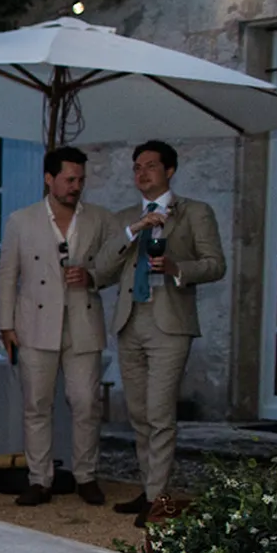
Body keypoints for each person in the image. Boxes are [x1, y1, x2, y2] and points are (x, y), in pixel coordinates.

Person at [93, 140, 227, 525]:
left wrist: (175, 267)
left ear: (169, 170)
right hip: (130, 319)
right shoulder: (125, 218)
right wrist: (133, 231)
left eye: (150, 165)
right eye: (136, 167)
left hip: (170, 321)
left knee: (159, 411)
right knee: (137, 412)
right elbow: (100, 270)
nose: (142, 173)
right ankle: (150, 490)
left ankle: (157, 497)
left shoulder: (195, 212)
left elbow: (215, 264)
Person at [0, 147, 113, 507]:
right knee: (36, 403)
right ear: (49, 179)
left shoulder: (99, 218)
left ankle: (86, 475)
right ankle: (39, 479)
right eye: (69, 179)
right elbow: (7, 275)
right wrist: (6, 323)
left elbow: (113, 265)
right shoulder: (21, 219)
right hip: (34, 322)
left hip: (82, 320)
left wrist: (91, 276)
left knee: (85, 402)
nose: (76, 186)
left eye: (80, 179)